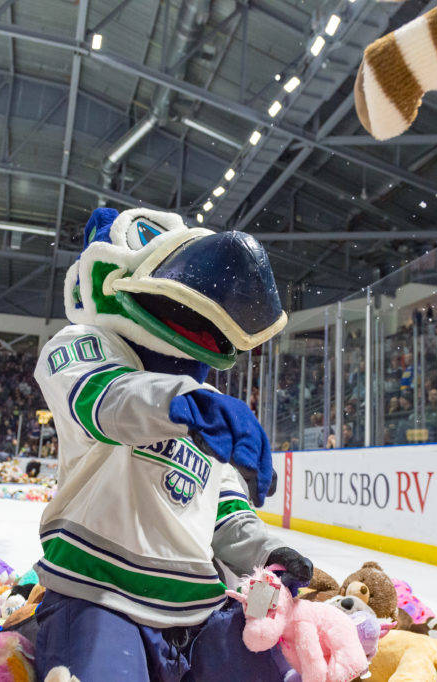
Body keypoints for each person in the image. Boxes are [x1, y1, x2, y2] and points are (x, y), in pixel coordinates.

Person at [32, 208, 309, 681]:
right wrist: (189, 405)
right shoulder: (83, 347)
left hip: (202, 613)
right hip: (99, 598)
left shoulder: (211, 408)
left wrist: (270, 556)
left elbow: (226, 514)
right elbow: (108, 404)